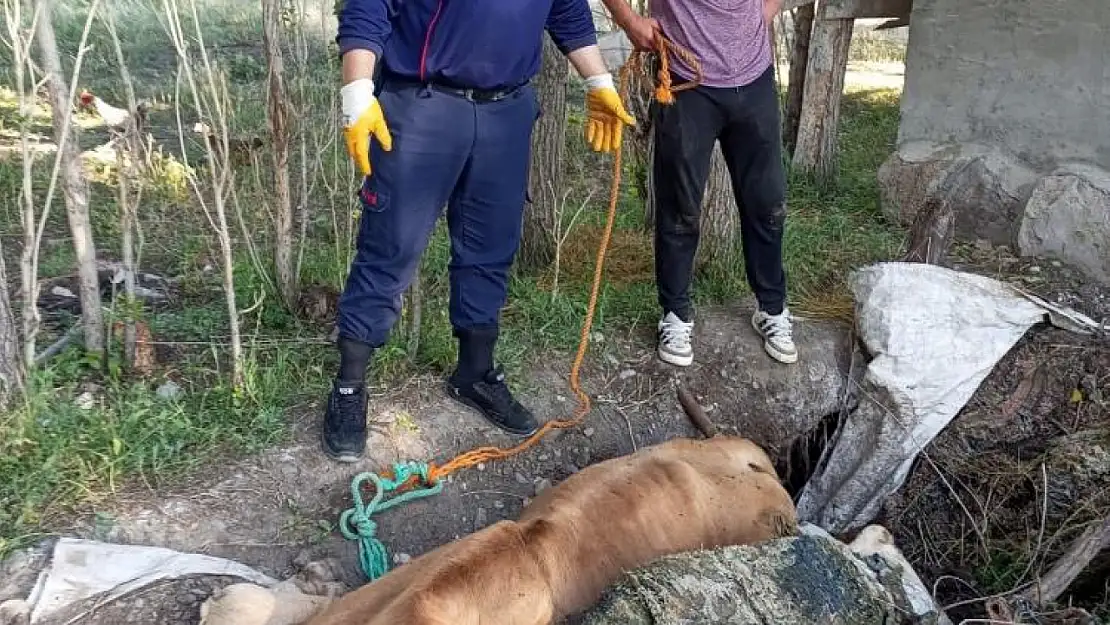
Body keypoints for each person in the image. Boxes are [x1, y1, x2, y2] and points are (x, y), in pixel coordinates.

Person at [325, 0, 636, 462]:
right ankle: (350, 386)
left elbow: (566, 9)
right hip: (423, 104)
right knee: (389, 249)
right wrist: (357, 91)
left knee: (490, 247)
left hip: (507, 111)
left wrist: (598, 81)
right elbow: (369, 7)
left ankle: (474, 374)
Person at [601, 0, 796, 368]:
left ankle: (772, 308)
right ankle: (675, 314)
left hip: (754, 79)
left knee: (766, 203)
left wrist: (763, 14)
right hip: (685, 79)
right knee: (679, 206)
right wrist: (628, 20)